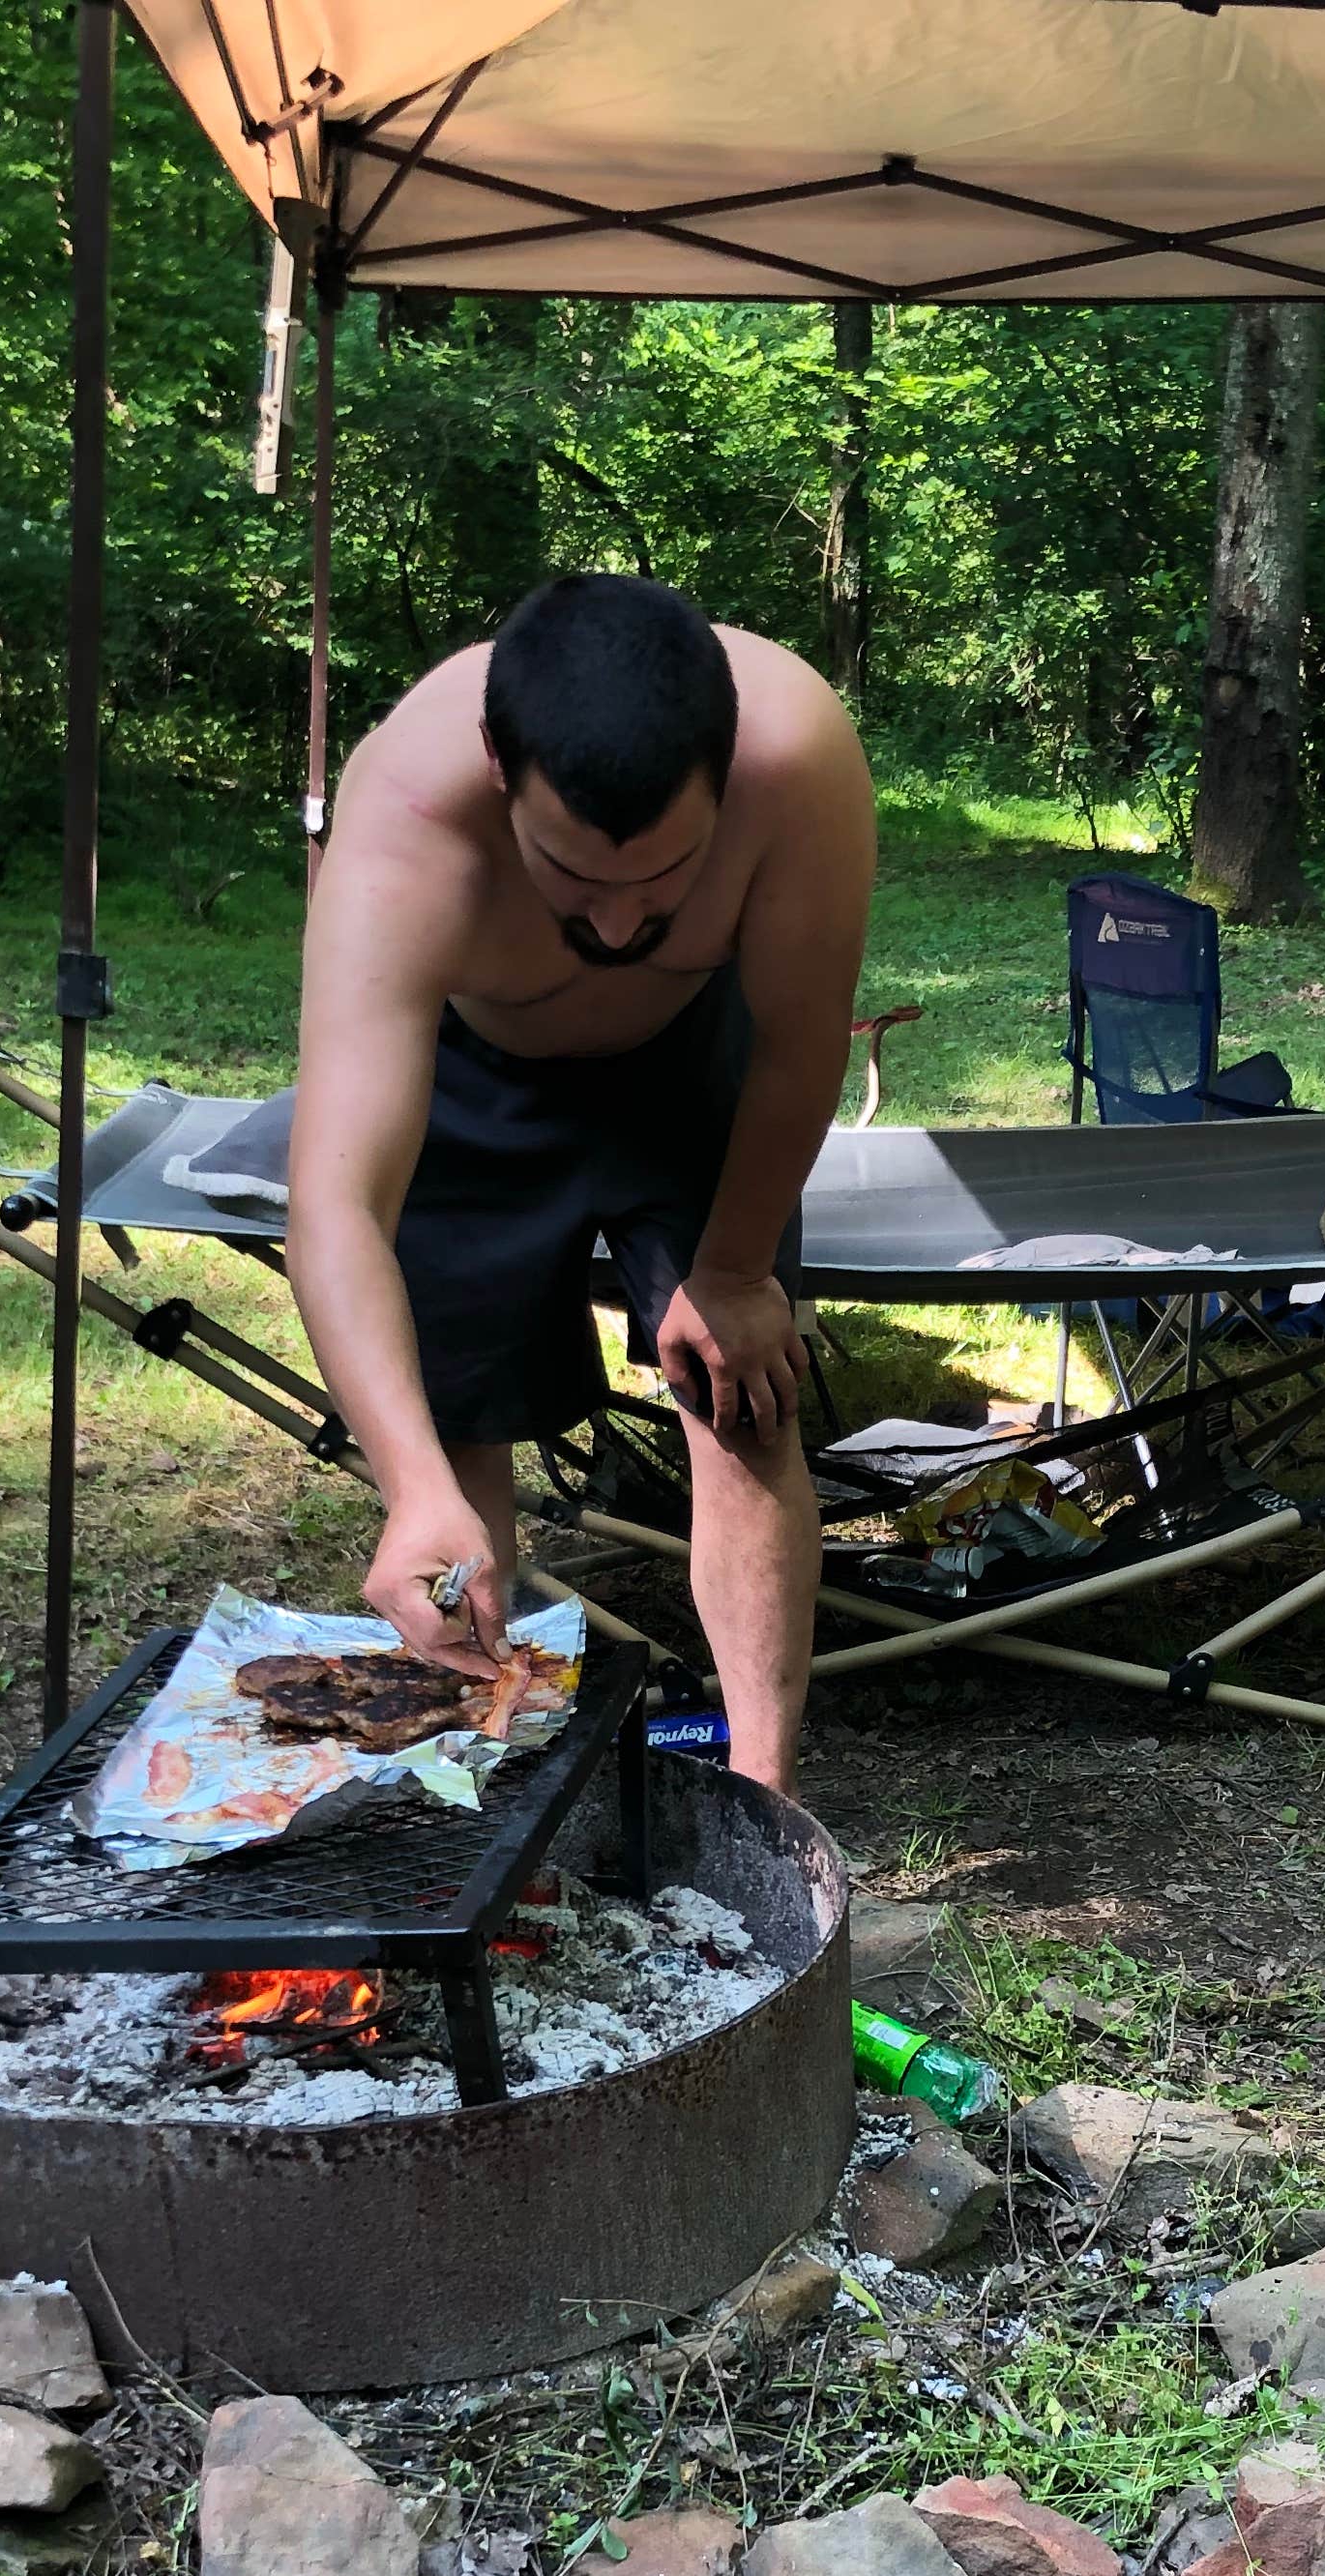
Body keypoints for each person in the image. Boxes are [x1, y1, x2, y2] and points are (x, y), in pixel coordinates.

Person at [283, 572, 877, 1796]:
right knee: (455, 1429)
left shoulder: (799, 758)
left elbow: (801, 1041)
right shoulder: (403, 815)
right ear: (501, 775)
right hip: (473, 1076)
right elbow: (337, 1206)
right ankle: (492, 1799)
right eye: (571, 877)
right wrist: (409, 1488)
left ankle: (764, 1796)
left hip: (697, 1066)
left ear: (728, 779)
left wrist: (734, 1270)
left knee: (746, 1401)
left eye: (665, 882)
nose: (614, 929)